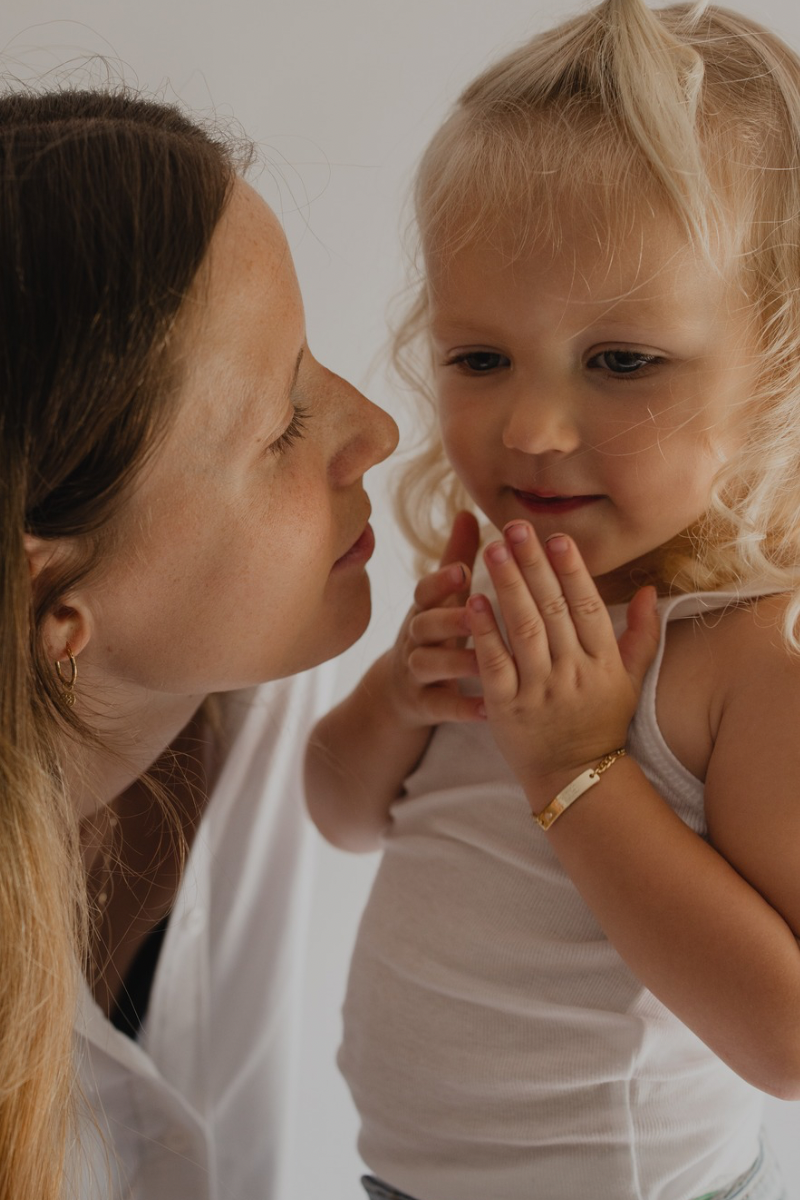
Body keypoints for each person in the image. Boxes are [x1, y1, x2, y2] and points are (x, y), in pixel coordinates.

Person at [304, 2, 800, 1198]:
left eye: (620, 362)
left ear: (774, 360)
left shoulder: (739, 660)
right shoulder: (495, 578)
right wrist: (394, 698)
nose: (529, 428)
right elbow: (342, 817)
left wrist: (573, 770)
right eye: (478, 359)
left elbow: (785, 1042)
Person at [0, 87, 398, 1200]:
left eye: (314, 358)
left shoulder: (293, 711)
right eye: (281, 424)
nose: (377, 429)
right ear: (55, 595)